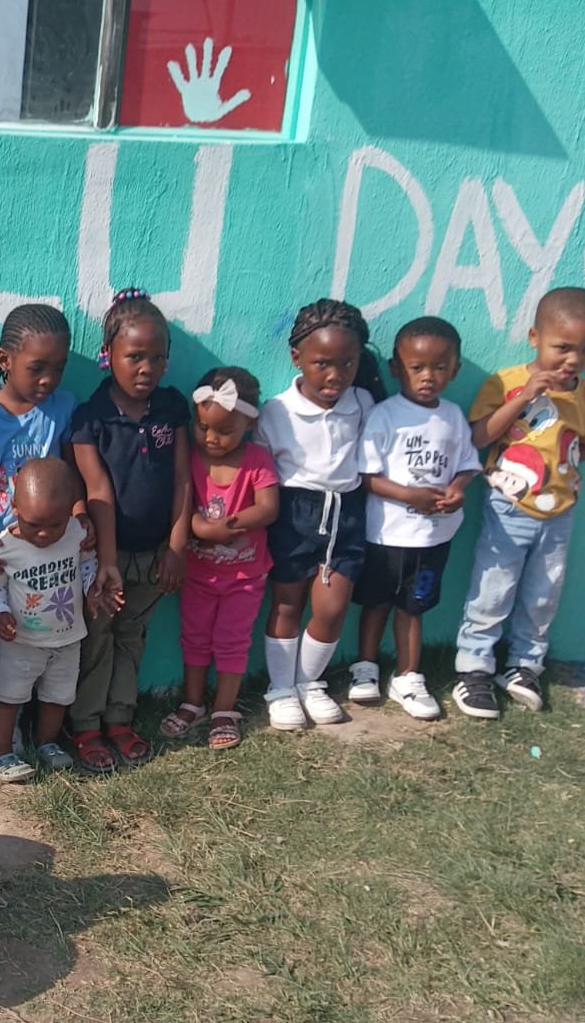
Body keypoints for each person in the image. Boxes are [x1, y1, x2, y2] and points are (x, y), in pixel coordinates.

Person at [453, 287, 585, 717]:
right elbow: (479, 436)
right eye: (562, 348)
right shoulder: (505, 382)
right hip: (508, 508)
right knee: (494, 586)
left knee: (544, 593)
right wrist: (525, 397)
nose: (573, 360)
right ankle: (474, 668)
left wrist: (562, 469)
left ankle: (524, 665)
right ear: (534, 336)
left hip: (560, 512)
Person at [69, 289, 189, 772]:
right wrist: (109, 566)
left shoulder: (172, 408)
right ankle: (85, 725)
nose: (148, 368)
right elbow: (99, 491)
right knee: (97, 635)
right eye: (135, 356)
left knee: (131, 635)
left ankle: (121, 719)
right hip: (107, 558)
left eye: (158, 357)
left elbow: (183, 478)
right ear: (108, 356)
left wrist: (177, 546)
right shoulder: (90, 418)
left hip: (155, 552)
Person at [0, 304, 77, 768]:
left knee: (33, 644)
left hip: (45, 557)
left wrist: (78, 517)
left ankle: (20, 729)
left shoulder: (63, 409)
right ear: (4, 360)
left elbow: (70, 474)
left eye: (59, 369)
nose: (48, 380)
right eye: (37, 368)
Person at [349, 318, 480, 720]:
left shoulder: (454, 416)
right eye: (417, 367)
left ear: (454, 371)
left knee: (414, 607)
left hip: (432, 541)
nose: (428, 377)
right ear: (395, 368)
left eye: (440, 368)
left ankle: (408, 676)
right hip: (386, 537)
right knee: (375, 603)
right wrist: (410, 495)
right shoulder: (385, 416)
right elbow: (366, 476)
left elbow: (468, 464)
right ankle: (365, 669)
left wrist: (457, 489)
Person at [255, 300, 376, 731]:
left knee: (332, 606)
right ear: (297, 359)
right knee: (288, 603)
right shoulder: (277, 411)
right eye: (322, 363)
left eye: (347, 363)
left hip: (345, 513)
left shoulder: (361, 402)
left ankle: (309, 683)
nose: (335, 375)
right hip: (294, 512)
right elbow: (262, 466)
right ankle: (281, 690)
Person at [160, 368, 278, 751]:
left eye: (224, 430)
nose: (211, 437)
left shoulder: (257, 460)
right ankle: (193, 701)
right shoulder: (192, 459)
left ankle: (224, 709)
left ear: (249, 422)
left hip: (245, 575)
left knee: (232, 641)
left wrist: (232, 523)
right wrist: (200, 527)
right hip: (198, 574)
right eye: (203, 426)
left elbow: (269, 507)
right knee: (194, 638)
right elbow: (181, 502)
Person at [0, 459, 101, 781]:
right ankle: (3, 753)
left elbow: (88, 565)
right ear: (16, 507)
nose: (45, 534)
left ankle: (47, 744)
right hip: (20, 641)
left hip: (68, 637)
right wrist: (0, 615)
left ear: (69, 512)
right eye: (35, 525)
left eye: (55, 524)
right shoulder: (4, 547)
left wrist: (92, 591)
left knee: (57, 697)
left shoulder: (77, 533)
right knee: (7, 698)